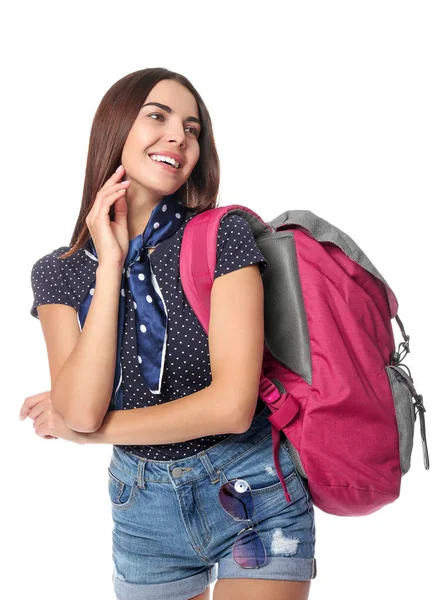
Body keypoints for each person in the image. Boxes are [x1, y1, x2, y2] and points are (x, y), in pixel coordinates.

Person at [21, 67, 317, 600]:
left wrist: (89, 434)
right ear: (115, 129)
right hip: (143, 511)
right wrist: (109, 264)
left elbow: (232, 407)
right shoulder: (59, 273)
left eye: (193, 128)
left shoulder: (221, 235)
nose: (179, 137)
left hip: (251, 484)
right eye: (157, 116)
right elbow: (79, 410)